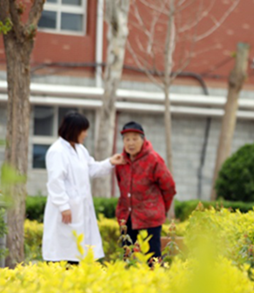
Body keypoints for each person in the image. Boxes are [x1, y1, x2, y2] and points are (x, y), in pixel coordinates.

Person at [43, 112, 125, 263]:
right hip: (65, 210)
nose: (86, 134)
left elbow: (91, 168)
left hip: (80, 208)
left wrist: (110, 162)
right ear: (74, 130)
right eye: (84, 130)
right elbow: (55, 181)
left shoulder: (81, 150)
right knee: (63, 253)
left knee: (78, 252)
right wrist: (63, 206)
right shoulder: (57, 151)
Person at [114, 121, 176, 262]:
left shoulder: (154, 160)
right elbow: (121, 187)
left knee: (152, 259)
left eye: (135, 139)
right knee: (126, 258)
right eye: (127, 139)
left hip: (150, 219)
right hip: (127, 217)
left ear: (143, 140)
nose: (131, 143)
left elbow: (169, 187)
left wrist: (160, 208)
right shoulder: (121, 162)